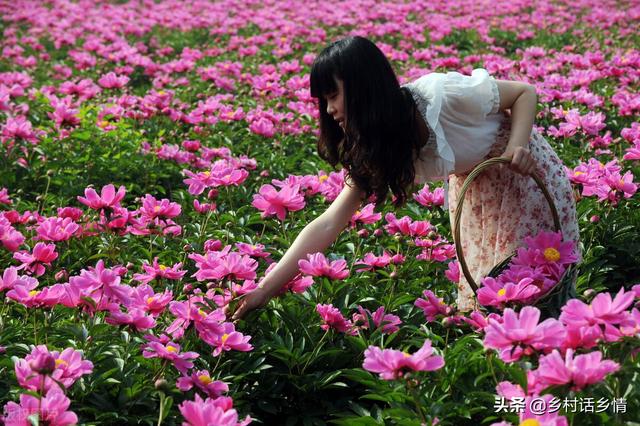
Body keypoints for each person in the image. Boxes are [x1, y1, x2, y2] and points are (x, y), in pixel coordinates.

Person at [231, 36, 581, 321]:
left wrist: (519, 147)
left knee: (537, 290)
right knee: (494, 304)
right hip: (479, 194)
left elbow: (523, 92)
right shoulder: (375, 146)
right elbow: (328, 223)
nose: (329, 110)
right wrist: (263, 290)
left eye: (333, 95)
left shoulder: (442, 97)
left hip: (524, 175)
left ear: (363, 88)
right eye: (323, 101)